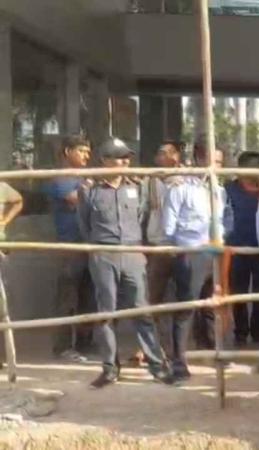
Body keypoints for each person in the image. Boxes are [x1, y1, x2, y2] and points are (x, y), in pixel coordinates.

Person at [77, 138, 173, 389]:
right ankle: (110, 369)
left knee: (142, 310)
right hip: (103, 253)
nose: (126, 162)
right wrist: (99, 249)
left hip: (132, 253)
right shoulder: (89, 189)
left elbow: (142, 218)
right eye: (120, 158)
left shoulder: (137, 187)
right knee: (106, 313)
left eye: (127, 158)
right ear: (105, 161)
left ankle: (157, 366)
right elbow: (84, 224)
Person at [162, 145, 226, 382]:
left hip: (214, 252)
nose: (216, 167)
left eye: (219, 162)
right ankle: (179, 363)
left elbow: (223, 220)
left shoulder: (219, 190)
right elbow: (169, 227)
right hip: (191, 252)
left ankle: (212, 351)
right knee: (186, 309)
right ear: (198, 159)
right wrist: (182, 251)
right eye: (212, 161)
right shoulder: (181, 188)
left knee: (211, 305)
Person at [44, 135, 95, 363]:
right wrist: (92, 187)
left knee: (88, 296)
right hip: (70, 244)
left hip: (88, 243)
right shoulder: (61, 177)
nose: (86, 156)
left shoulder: (84, 177)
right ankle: (63, 347)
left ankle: (85, 342)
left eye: (88, 152)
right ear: (67, 152)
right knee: (67, 299)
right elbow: (74, 198)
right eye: (81, 151)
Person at [136, 141, 184, 363]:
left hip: (182, 246)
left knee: (183, 300)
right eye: (160, 153)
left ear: (177, 156)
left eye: (167, 153)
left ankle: (178, 350)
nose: (162, 157)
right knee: (153, 298)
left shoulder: (189, 178)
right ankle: (150, 348)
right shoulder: (150, 180)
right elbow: (142, 210)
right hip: (157, 245)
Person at [226, 151, 259, 349]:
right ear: (242, 168)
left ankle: (258, 331)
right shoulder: (228, 190)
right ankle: (240, 332)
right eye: (253, 165)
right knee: (238, 292)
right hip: (237, 249)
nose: (257, 169)